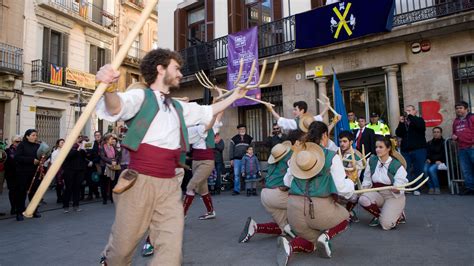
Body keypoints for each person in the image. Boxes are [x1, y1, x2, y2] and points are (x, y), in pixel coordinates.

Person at [96, 48, 248, 265]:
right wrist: (109, 88)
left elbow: (208, 111)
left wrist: (235, 95)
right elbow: (116, 107)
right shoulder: (141, 96)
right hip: (140, 182)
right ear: (160, 69)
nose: (179, 74)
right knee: (121, 250)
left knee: (171, 252)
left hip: (169, 184)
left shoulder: (178, 107)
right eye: (176, 68)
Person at [277, 121, 356, 265]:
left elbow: (287, 182)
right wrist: (352, 181)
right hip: (319, 209)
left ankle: (291, 246)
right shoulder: (331, 156)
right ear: (325, 135)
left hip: (294, 211)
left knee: (311, 242)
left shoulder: (298, 155)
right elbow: (343, 189)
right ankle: (325, 236)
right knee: (346, 217)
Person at [239, 141, 295, 243]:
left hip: (265, 194)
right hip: (278, 194)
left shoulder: (273, 163)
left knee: (283, 228)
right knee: (304, 207)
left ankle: (255, 227)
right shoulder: (290, 156)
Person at [358, 137, 408, 229]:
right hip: (378, 193)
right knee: (363, 199)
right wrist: (364, 188)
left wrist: (397, 188)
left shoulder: (396, 165)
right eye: (376, 147)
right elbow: (367, 178)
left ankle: (398, 214)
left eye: (381, 147)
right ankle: (381, 216)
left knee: (386, 225)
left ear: (388, 148)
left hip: (393, 196)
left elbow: (401, 182)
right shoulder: (372, 161)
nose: (377, 149)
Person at [396, 105, 427, 196]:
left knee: (418, 169)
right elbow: (398, 133)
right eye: (406, 111)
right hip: (406, 150)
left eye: (409, 110)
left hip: (419, 149)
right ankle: (408, 187)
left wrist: (410, 117)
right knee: (405, 169)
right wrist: (401, 123)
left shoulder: (419, 120)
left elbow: (420, 127)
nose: (407, 112)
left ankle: (418, 188)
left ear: (415, 111)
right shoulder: (404, 122)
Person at [13, 129, 41, 221]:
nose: (35, 137)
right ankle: (19, 212)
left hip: (34, 173)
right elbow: (17, 157)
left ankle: (34, 210)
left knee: (34, 192)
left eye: (36, 135)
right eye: (33, 135)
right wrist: (31, 160)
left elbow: (41, 156)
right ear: (27, 136)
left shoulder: (38, 146)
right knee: (21, 193)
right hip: (23, 173)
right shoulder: (22, 145)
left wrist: (43, 158)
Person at [337, 130, 362, 223]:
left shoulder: (356, 156)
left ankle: (348, 211)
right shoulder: (338, 152)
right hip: (337, 182)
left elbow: (355, 176)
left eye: (344, 141)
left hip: (350, 183)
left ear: (351, 142)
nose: (342, 144)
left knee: (354, 196)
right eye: (340, 141)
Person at [452, 101, 474, 195]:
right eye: (457, 108)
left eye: (460, 108)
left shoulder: (472, 117)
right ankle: (470, 187)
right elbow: (454, 132)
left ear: (466, 109)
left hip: (472, 147)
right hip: (462, 148)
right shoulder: (456, 121)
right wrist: (454, 136)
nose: (458, 110)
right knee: (466, 169)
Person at [62, 136, 88, 212]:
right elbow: (69, 156)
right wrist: (77, 150)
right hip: (69, 170)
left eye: (77, 138)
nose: (77, 140)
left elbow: (84, 156)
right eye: (75, 138)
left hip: (79, 170)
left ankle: (76, 205)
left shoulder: (80, 146)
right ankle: (65, 206)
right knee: (68, 188)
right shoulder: (67, 147)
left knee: (77, 188)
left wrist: (84, 150)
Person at [229, 124, 253, 195]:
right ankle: (236, 190)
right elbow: (231, 149)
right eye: (240, 129)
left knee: (248, 174)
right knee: (236, 175)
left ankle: (249, 189)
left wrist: (252, 157)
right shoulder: (234, 139)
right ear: (238, 130)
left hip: (247, 159)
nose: (242, 130)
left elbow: (252, 148)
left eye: (243, 129)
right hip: (237, 159)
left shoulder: (249, 138)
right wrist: (231, 159)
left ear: (245, 130)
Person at [99, 134, 121, 205]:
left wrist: (115, 160)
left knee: (113, 183)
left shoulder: (113, 147)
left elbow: (117, 155)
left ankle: (112, 198)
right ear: (107, 140)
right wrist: (111, 161)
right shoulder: (102, 147)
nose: (113, 140)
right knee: (104, 183)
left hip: (113, 166)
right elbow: (102, 156)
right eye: (111, 139)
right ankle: (104, 199)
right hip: (105, 166)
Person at [424, 127, 446, 195]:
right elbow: (427, 153)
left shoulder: (444, 142)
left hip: (440, 162)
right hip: (431, 161)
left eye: (438, 132)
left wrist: (441, 161)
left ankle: (436, 188)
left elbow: (445, 154)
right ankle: (431, 187)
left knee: (431, 169)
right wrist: (427, 158)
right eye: (434, 132)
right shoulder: (429, 143)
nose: (436, 133)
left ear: (441, 133)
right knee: (425, 169)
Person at [5, 135, 22, 215]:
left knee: (20, 191)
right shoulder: (7, 151)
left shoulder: (22, 150)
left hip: (21, 174)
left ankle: (19, 207)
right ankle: (13, 208)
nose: (18, 143)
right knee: (12, 191)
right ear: (12, 142)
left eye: (20, 141)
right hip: (11, 174)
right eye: (17, 141)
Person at [51, 139, 65, 203]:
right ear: (58, 144)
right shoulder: (55, 152)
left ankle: (64, 196)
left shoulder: (66, 151)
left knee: (66, 183)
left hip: (65, 168)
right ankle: (59, 197)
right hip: (58, 169)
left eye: (64, 143)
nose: (63, 144)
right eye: (62, 143)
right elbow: (52, 162)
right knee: (59, 184)